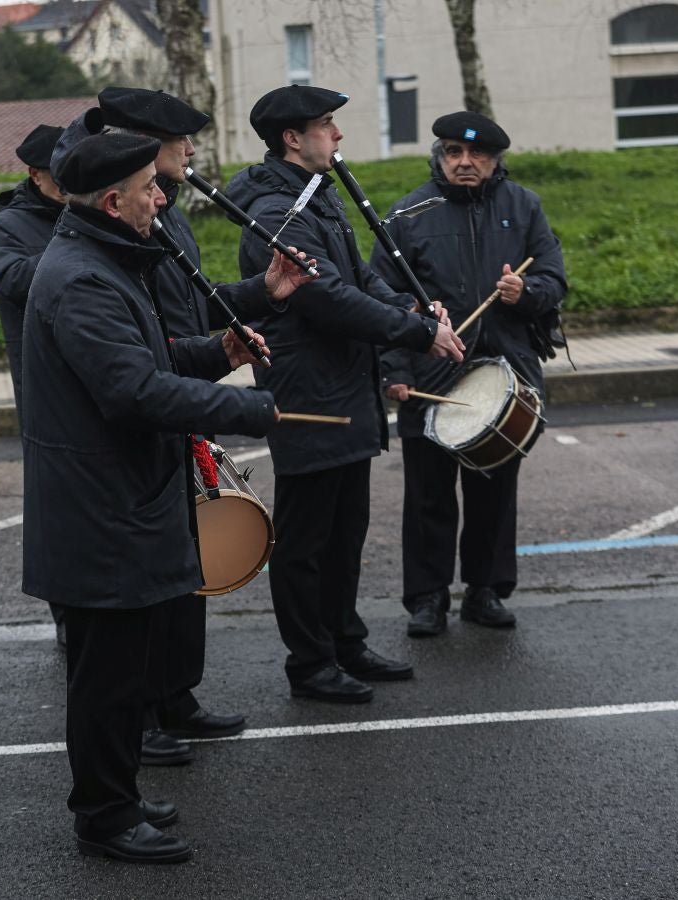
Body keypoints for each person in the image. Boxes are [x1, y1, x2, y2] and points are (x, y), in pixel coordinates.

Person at [21, 131, 311, 863]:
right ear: (114, 201)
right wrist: (248, 407)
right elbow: (131, 391)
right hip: (102, 511)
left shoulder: (102, 260)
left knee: (122, 673)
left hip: (120, 502)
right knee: (106, 678)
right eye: (151, 187)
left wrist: (222, 353)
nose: (162, 197)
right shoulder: (83, 278)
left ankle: (114, 793)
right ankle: (104, 817)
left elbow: (149, 356)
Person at [226, 85, 464, 703]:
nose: (338, 135)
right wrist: (417, 331)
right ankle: (309, 662)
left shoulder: (315, 198)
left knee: (346, 529)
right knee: (306, 541)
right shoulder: (276, 213)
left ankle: (343, 639)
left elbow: (361, 280)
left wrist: (412, 309)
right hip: (310, 392)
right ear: (292, 138)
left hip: (345, 390)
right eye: (327, 125)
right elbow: (325, 298)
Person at [96, 86, 274, 762]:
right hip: (157, 402)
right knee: (151, 568)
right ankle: (140, 717)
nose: (192, 150)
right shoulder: (122, 223)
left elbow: (193, 307)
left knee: (185, 556)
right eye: (182, 139)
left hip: (182, 395)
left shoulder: (168, 214)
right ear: (145, 145)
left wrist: (262, 295)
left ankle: (176, 695)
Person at [374, 110, 568, 637]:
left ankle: (485, 590)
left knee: (494, 491)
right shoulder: (408, 214)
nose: (465, 163)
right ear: (440, 156)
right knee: (428, 495)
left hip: (505, 375)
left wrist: (526, 294)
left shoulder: (523, 207)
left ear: (494, 160)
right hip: (429, 373)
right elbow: (383, 298)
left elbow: (554, 278)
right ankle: (427, 598)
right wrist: (392, 369)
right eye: (454, 154)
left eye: (476, 155)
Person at [0, 123, 69, 646]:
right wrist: (77, 247)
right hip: (44, 386)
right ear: (36, 175)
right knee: (60, 508)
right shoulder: (11, 224)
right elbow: (13, 279)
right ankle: (69, 617)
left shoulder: (82, 212)